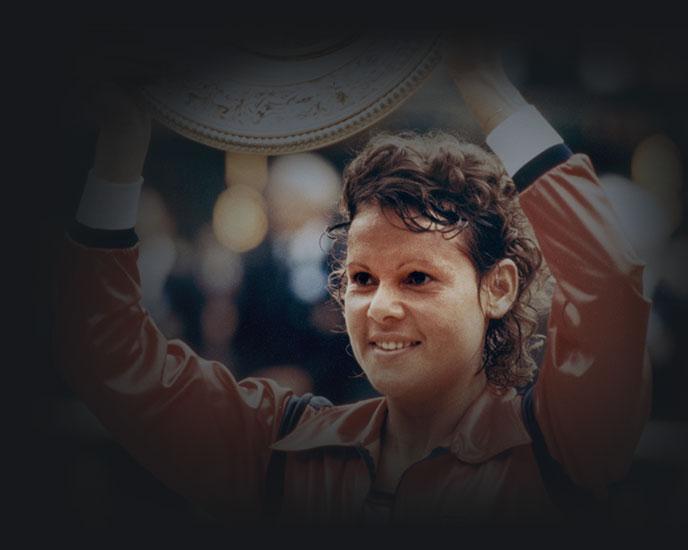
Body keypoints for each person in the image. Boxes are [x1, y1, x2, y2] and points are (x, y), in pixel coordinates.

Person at [55, 42, 652, 525]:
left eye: (417, 277)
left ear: (496, 288)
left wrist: (480, 76)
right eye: (361, 278)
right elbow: (108, 354)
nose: (380, 306)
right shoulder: (282, 446)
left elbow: (608, 283)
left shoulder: (560, 444)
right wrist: (121, 145)